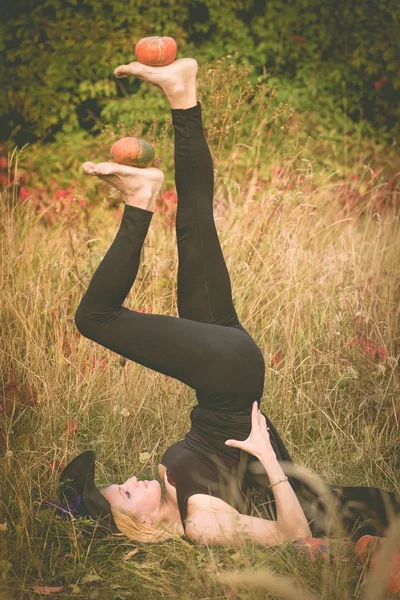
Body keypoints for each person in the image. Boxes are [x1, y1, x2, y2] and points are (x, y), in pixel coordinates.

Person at [60, 56, 398, 547]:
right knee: (94, 318)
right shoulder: (203, 524)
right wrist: (264, 454)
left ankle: (182, 92)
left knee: (195, 226)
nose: (130, 481)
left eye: (119, 483)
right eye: (125, 496)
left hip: (228, 374)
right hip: (229, 377)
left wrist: (264, 463)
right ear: (144, 527)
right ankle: (139, 197)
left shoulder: (177, 489)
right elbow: (293, 535)